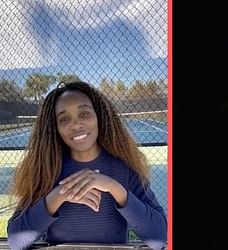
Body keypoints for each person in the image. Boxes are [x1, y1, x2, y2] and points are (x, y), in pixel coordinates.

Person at [7, 81, 167, 250]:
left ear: (99, 116)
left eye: (84, 114)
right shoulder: (48, 170)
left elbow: (159, 238)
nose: (75, 124)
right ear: (56, 128)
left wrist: (114, 187)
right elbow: (16, 242)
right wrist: (60, 194)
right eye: (63, 119)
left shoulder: (125, 169)